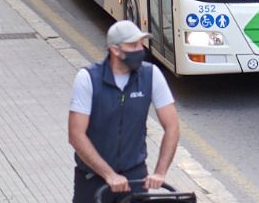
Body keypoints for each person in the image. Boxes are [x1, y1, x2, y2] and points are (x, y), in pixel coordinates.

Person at [68, 20, 180, 203]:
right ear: (115, 50)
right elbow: (76, 135)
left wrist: (160, 172)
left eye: (141, 44)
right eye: (133, 45)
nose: (140, 50)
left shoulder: (151, 75)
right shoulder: (88, 79)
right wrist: (109, 174)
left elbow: (172, 126)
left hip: (134, 177)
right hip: (92, 177)